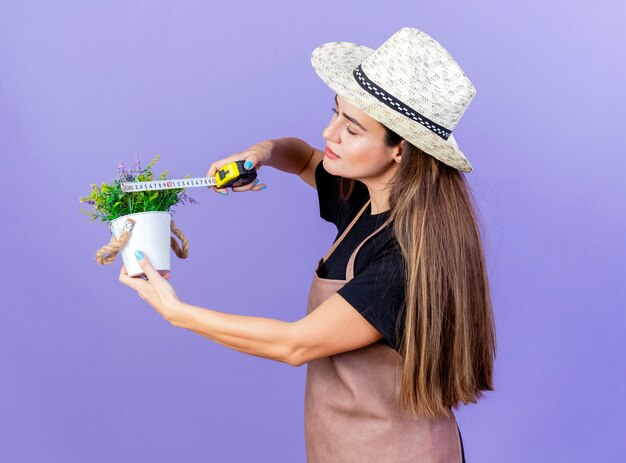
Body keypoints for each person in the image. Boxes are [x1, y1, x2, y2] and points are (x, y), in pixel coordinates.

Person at [119, 27, 496, 463]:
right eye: (335, 113)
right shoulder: (361, 199)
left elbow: (294, 344)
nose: (328, 132)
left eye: (351, 130)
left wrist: (177, 312)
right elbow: (298, 155)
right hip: (341, 446)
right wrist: (257, 156)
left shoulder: (403, 258)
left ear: (400, 151)